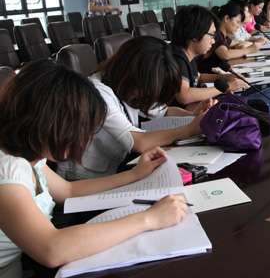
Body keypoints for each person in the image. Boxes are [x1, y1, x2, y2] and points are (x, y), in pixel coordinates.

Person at [0, 60, 187, 276]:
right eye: (77, 128)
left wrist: (134, 174)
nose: (82, 138)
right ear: (46, 122)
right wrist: (150, 219)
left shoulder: (29, 157)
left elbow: (68, 190)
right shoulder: (7, 170)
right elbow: (51, 248)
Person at [57, 36, 205, 181]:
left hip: (116, 168)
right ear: (132, 74)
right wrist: (191, 128)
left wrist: (192, 116)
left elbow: (164, 111)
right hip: (85, 179)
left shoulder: (125, 85)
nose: (147, 95)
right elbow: (139, 142)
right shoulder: (98, 93)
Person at [170, 5, 248, 110]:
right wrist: (227, 87)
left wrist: (226, 78)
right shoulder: (176, 57)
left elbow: (199, 77)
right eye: (211, 35)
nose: (213, 41)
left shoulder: (187, 53)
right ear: (194, 34)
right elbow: (184, 96)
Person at [196, 2, 260, 74]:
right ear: (226, 18)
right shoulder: (217, 35)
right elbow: (225, 55)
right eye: (237, 22)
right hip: (208, 76)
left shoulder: (224, 36)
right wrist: (249, 50)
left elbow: (238, 43)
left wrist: (239, 46)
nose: (238, 26)